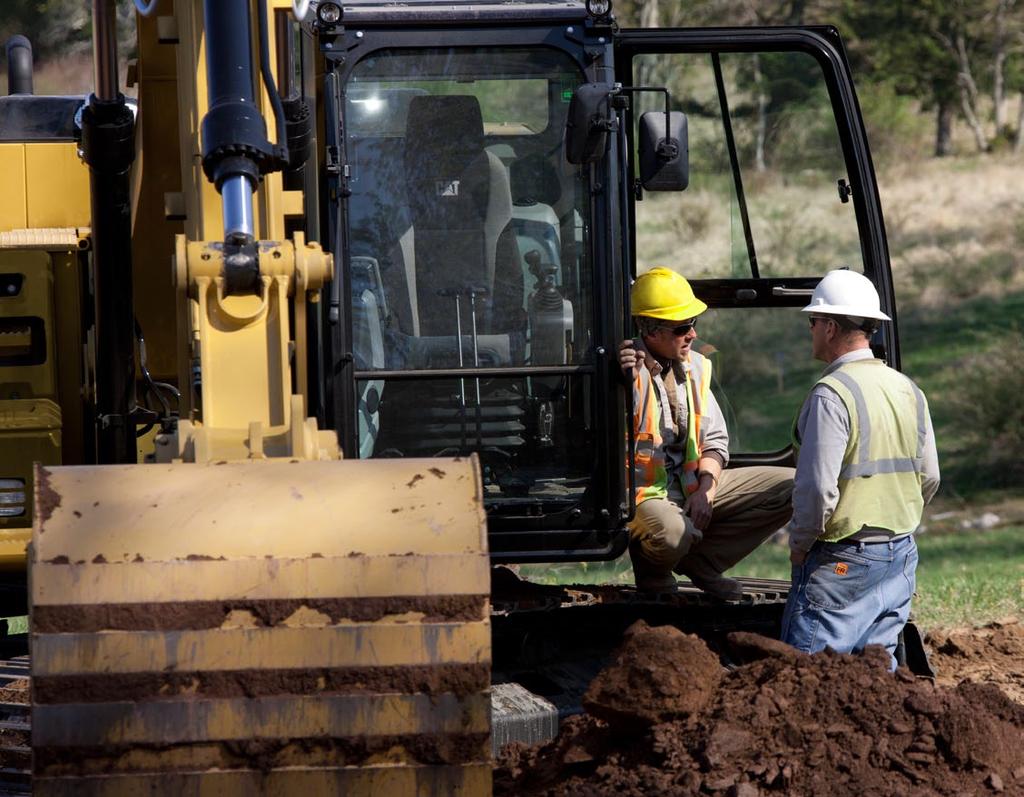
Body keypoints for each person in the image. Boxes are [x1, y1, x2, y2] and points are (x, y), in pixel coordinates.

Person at [781, 269, 940, 669]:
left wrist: (800, 544)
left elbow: (818, 488)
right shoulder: (908, 388)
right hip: (900, 553)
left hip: (843, 558)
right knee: (876, 680)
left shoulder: (831, 395)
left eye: (812, 322)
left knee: (808, 679)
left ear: (830, 327)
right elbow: (931, 475)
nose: (811, 330)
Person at [619, 267, 794, 600]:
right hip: (645, 496)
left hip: (691, 485)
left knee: (793, 487)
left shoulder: (695, 366)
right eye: (683, 327)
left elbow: (714, 441)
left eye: (694, 324)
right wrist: (618, 376)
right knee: (673, 534)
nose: (693, 335)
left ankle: (700, 563)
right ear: (650, 330)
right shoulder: (624, 370)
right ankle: (654, 577)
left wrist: (707, 491)